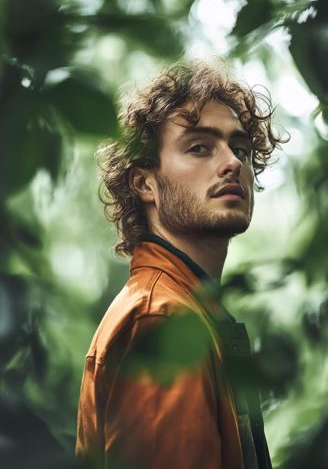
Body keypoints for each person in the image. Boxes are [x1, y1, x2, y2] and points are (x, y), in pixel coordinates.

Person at [76, 61, 285, 469]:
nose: (233, 163)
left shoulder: (189, 311)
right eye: (200, 147)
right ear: (144, 183)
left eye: (240, 149)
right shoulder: (161, 319)